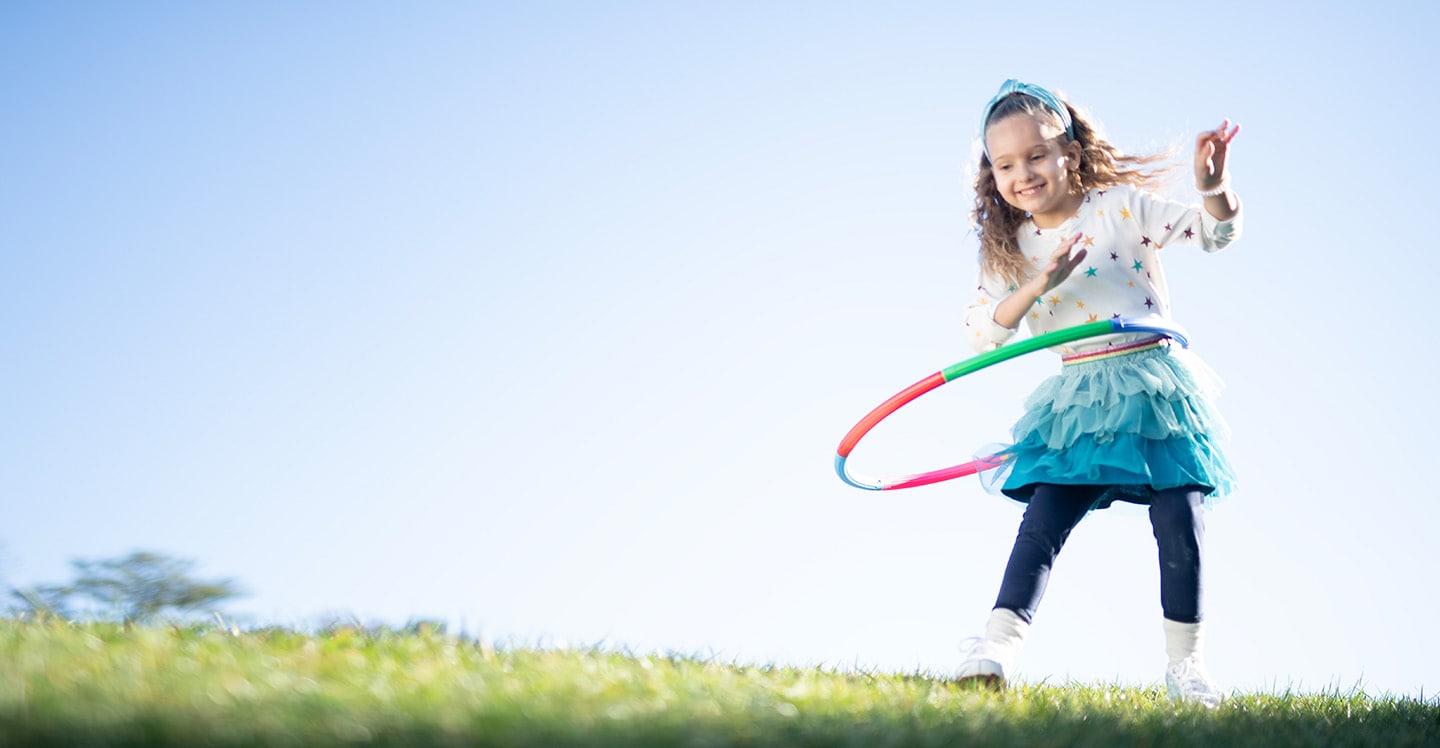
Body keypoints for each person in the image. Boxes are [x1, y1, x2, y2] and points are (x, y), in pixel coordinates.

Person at [957, 79, 1242, 707]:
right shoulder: (1010, 248)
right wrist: (1040, 283)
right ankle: (995, 648)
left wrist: (1214, 189)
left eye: (1035, 155)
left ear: (1071, 153)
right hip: (1079, 396)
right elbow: (982, 332)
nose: (1022, 173)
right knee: (1043, 522)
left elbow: (1215, 236)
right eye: (1005, 164)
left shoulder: (1120, 208)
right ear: (992, 174)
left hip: (1151, 383)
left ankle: (1186, 669)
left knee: (1180, 519)